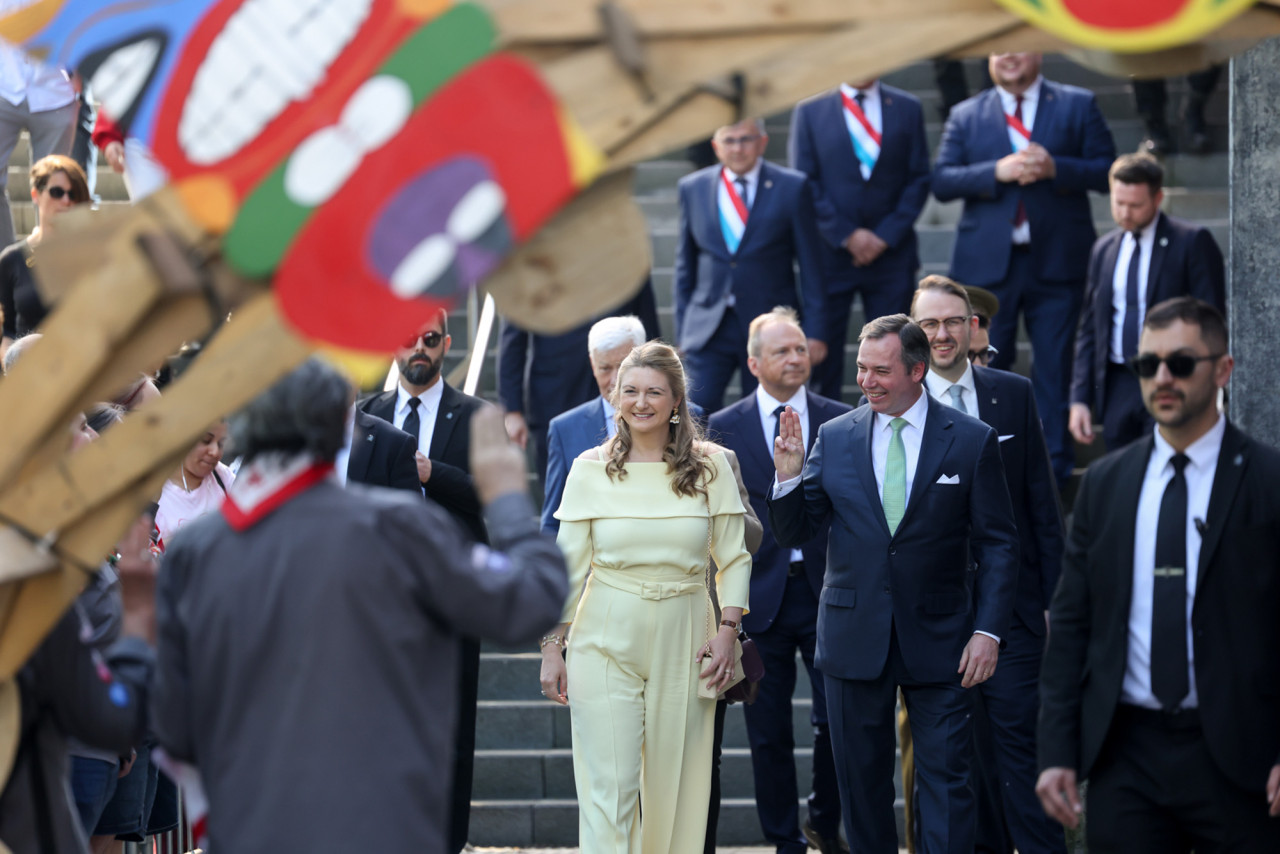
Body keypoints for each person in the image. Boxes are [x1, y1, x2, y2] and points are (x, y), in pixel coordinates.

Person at [152, 358, 568, 853]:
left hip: (252, 824)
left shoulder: (195, 550)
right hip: (382, 823)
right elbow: (531, 599)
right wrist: (504, 497)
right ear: (340, 429)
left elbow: (170, 719)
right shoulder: (399, 528)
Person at [1037, 297, 1280, 853]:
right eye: (1147, 365)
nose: (1162, 378)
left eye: (1181, 363)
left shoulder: (1268, 480)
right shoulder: (1104, 484)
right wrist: (1055, 751)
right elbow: (1072, 624)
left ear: (1223, 370)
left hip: (1241, 755)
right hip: (1127, 755)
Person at [768, 314, 1018, 854]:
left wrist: (989, 632)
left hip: (946, 642)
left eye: (880, 371)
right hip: (853, 638)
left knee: (950, 786)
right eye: (860, 368)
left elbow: (999, 543)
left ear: (918, 371)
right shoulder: (834, 437)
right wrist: (787, 477)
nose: (866, 381)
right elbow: (798, 528)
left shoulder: (972, 441)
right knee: (862, 791)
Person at [539, 341, 752, 852]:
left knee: (674, 791)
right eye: (628, 391)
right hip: (604, 636)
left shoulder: (712, 467)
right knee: (609, 790)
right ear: (614, 397)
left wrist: (729, 632)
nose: (640, 402)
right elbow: (568, 566)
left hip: (687, 637)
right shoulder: (589, 468)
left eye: (654, 392)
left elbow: (734, 558)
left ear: (676, 399)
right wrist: (552, 645)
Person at [910, 276, 1066, 854]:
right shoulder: (892, 405)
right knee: (954, 769)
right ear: (913, 333)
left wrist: (1054, 603)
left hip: (1016, 615)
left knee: (1021, 756)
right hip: (935, 619)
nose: (943, 334)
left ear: (974, 326)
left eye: (955, 321)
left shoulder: (1013, 394)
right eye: (929, 324)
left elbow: (1042, 509)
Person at [933, 51, 1116, 487]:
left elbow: (1108, 168)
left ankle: (1052, 472)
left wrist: (1057, 168)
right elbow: (941, 180)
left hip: (1057, 262)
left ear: (1039, 50)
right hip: (986, 266)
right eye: (1000, 49)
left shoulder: (1077, 103)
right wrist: (994, 171)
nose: (1010, 56)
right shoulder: (965, 114)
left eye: (1020, 46)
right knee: (983, 367)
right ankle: (983, 464)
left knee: (1055, 369)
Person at [707, 308, 851, 854]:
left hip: (827, 591)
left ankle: (825, 819)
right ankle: (783, 840)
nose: (797, 358)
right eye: (783, 351)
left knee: (836, 721)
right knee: (766, 735)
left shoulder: (842, 419)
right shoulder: (722, 427)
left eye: (801, 349)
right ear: (753, 362)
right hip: (755, 598)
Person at [357, 309, 489, 851]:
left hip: (453, 593)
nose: (419, 348)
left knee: (453, 731)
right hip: (380, 598)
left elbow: (493, 495)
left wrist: (433, 472)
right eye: (409, 337)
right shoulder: (366, 416)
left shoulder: (479, 416)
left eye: (430, 339)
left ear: (447, 344)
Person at [1069, 153, 1225, 453]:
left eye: (1135, 205)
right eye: (1118, 203)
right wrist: (1079, 398)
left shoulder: (1192, 242)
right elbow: (1090, 328)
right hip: (1117, 381)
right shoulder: (1104, 250)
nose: (1125, 212)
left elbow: (1211, 320)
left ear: (1158, 198)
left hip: (1172, 377)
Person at [788, 77, 932, 400]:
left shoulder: (907, 107)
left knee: (895, 354)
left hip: (891, 256)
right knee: (822, 361)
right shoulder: (811, 110)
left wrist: (884, 236)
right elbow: (804, 182)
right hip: (829, 256)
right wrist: (847, 235)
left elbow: (919, 177)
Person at [674, 118, 827, 413]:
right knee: (692, 410)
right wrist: (683, 332)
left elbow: (812, 266)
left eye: (745, 139)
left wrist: (816, 330)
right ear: (715, 146)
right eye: (729, 141)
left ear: (762, 142)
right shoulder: (693, 188)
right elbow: (685, 265)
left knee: (767, 411)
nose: (738, 148)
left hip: (769, 323)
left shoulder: (792, 187)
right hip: (708, 326)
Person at [498, 278, 661, 485]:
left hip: (623, 396)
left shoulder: (626, 254)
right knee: (559, 491)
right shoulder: (531, 261)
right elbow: (513, 341)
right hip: (554, 396)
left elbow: (650, 332)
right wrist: (513, 411)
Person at [542, 315, 649, 534]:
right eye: (604, 368)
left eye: (622, 367)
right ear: (592, 365)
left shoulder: (681, 416)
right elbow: (553, 522)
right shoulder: (564, 430)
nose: (613, 381)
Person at [0, 154, 91, 351]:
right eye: (57, 192)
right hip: (29, 369)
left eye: (73, 194)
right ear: (36, 195)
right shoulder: (12, 259)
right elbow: (8, 333)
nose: (66, 200)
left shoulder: (90, 255)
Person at [0, 44, 78, 246]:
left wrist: (81, 73)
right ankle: (7, 268)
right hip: (4, 84)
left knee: (56, 187)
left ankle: (48, 265)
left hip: (55, 91)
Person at [155, 420, 232, 548]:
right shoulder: (154, 492)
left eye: (221, 444)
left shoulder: (223, 476)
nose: (215, 452)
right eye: (206, 440)